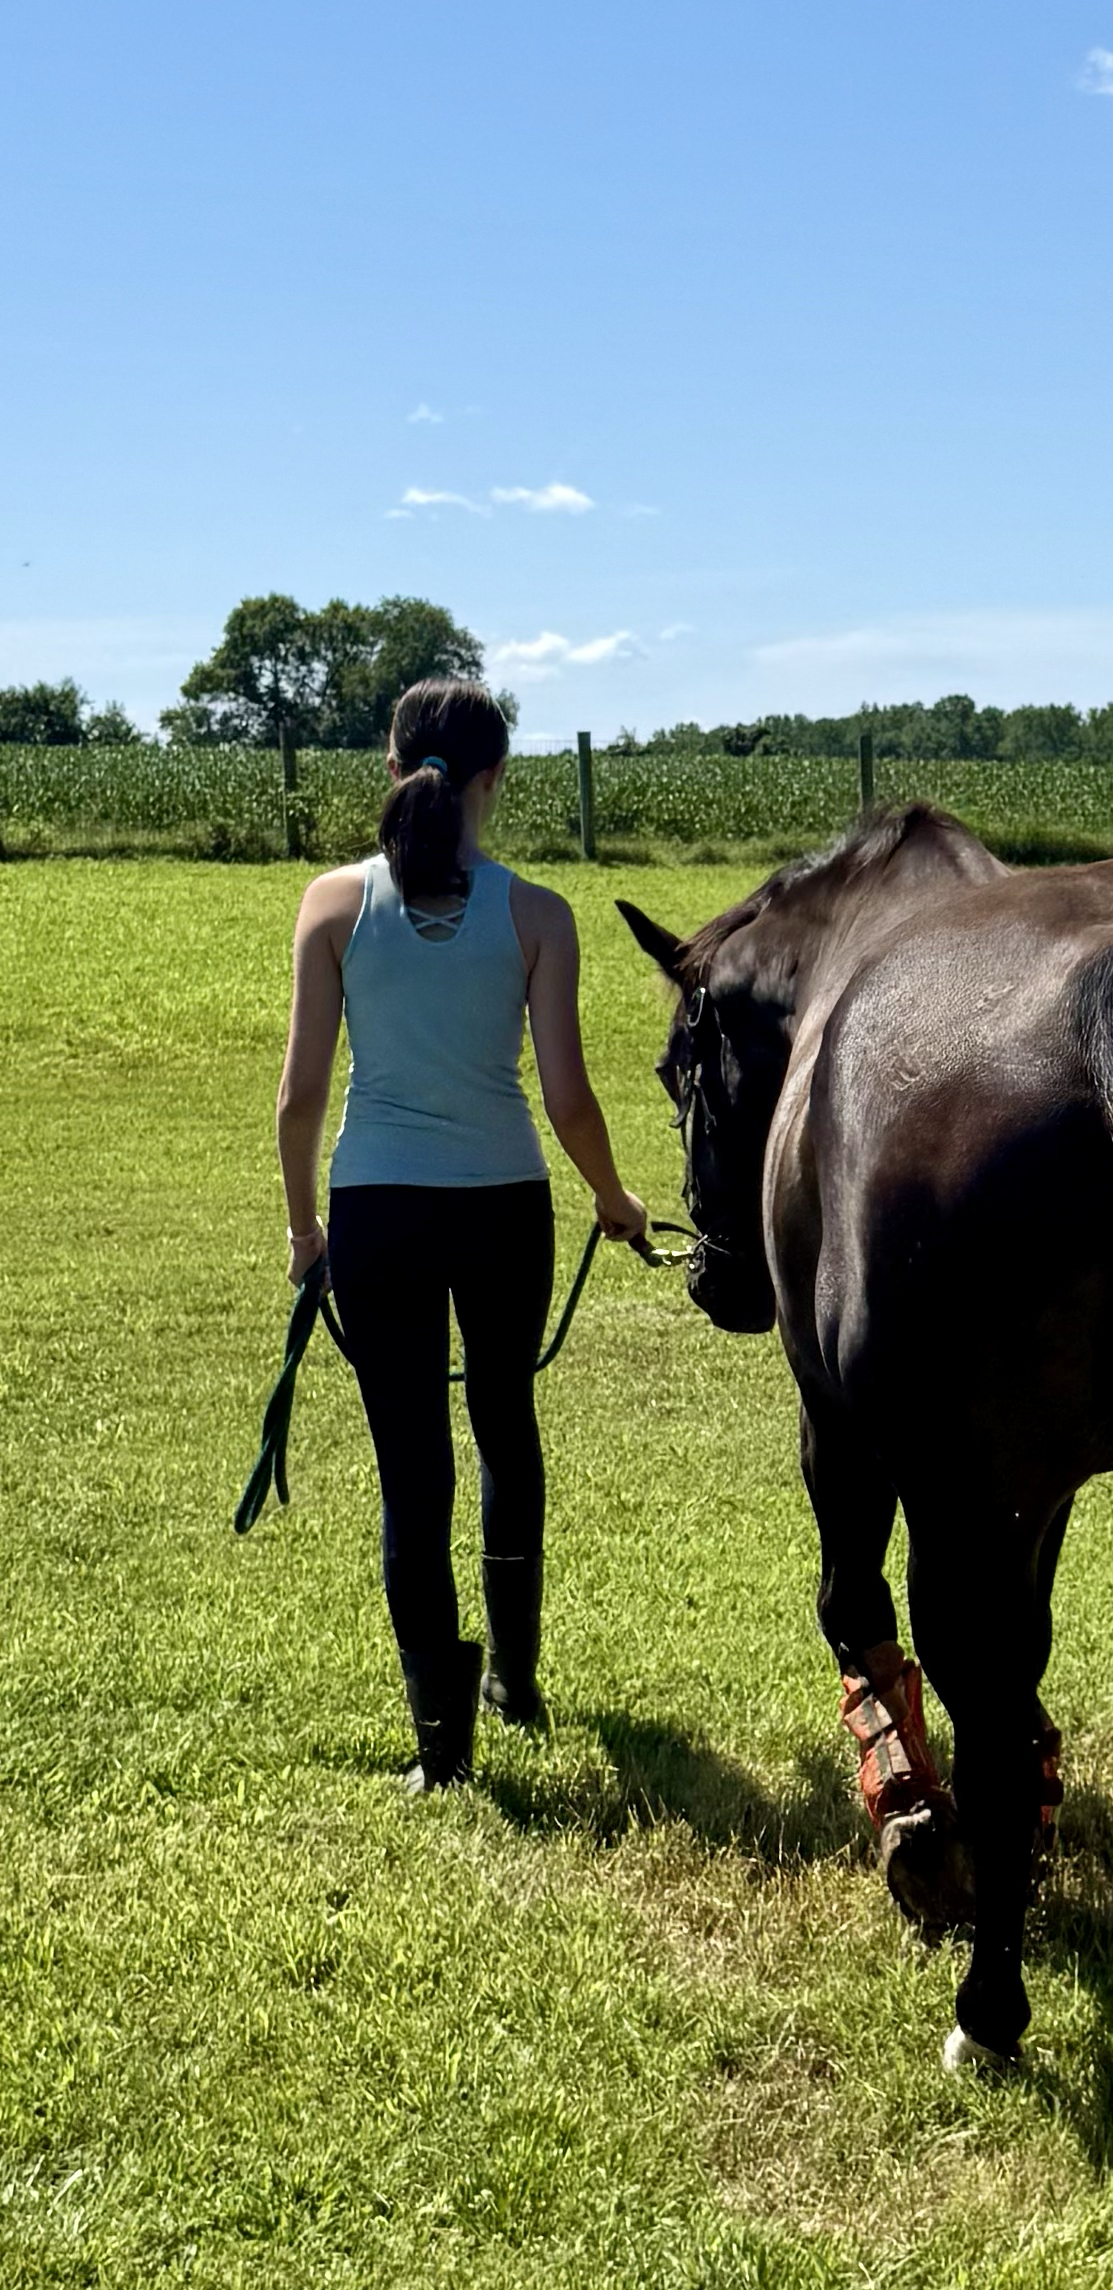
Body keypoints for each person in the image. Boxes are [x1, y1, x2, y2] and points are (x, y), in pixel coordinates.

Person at [274, 679, 647, 1791]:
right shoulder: (536, 915)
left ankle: (442, 1751)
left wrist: (304, 1234)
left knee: (411, 1473)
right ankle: (515, 1680)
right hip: (503, 1204)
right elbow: (569, 1098)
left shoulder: (331, 906)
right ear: (496, 782)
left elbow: (299, 1096)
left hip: (376, 1209)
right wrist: (616, 1201)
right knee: (504, 1426)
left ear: (391, 771)